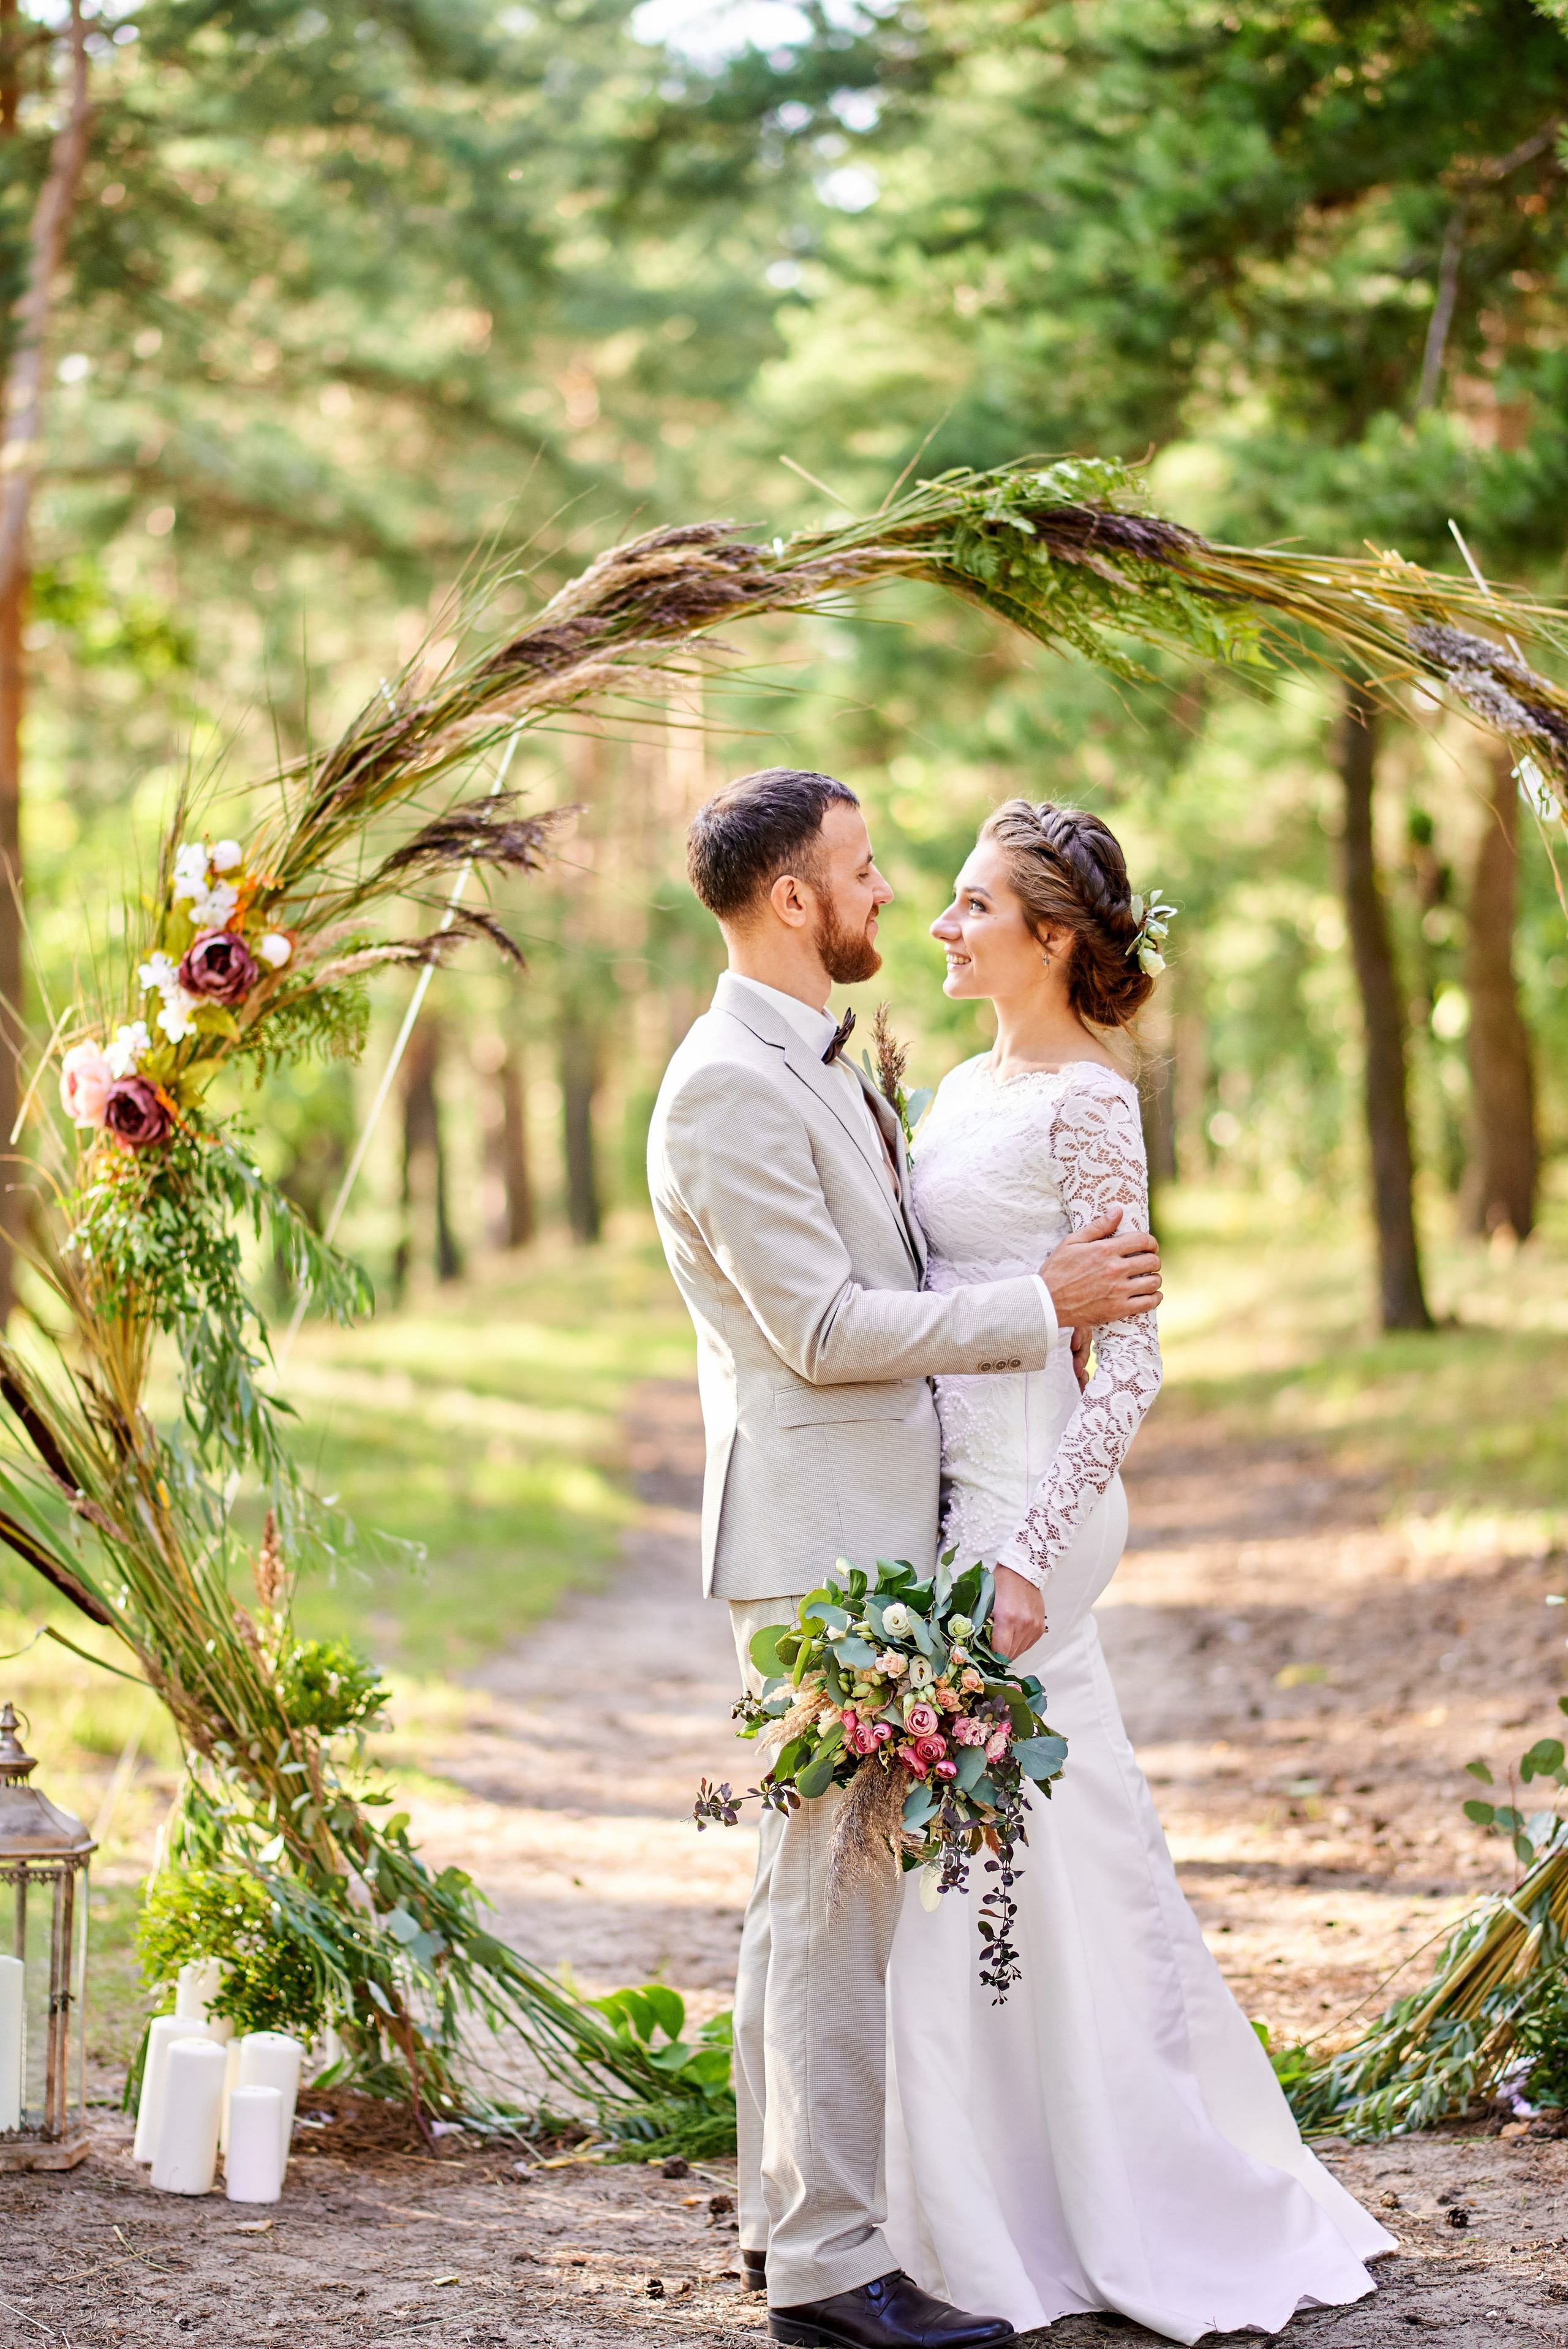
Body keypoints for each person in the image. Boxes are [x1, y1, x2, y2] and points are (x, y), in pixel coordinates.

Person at [647, 767, 1163, 2349]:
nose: (891, 897)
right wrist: (1040, 1308)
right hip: (818, 1546)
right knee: (824, 1892)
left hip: (899, 1529)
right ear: (793, 897)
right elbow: (813, 1328)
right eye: (867, 871)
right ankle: (825, 2270)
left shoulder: (828, 1057)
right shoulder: (728, 1080)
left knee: (811, 1888)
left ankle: (783, 2219)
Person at [883, 799, 1395, 2342]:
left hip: (1032, 1503)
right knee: (1006, 1850)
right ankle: (988, 2189)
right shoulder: (967, 1083)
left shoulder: (1090, 1103)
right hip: (951, 1491)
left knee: (998, 1839)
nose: (940, 927)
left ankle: (1088, 2199)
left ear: (1050, 939)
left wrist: (1027, 1553)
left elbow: (1130, 1365)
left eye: (972, 906)